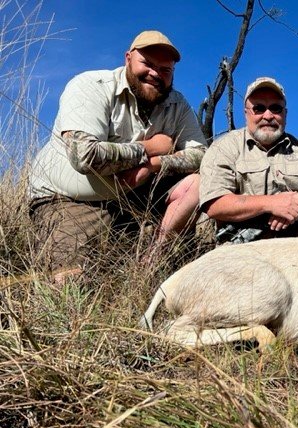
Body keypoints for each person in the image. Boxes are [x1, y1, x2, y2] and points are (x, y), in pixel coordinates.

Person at [28, 30, 207, 275]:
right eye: (147, 64)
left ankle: (153, 261)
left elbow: (201, 155)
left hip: (132, 193)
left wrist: (153, 165)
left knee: (196, 185)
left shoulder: (177, 104)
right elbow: (85, 155)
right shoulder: (90, 85)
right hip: (69, 199)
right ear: (128, 58)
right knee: (71, 284)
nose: (155, 74)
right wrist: (151, 147)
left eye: (165, 70)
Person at [199, 77, 298, 241]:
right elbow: (215, 204)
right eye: (259, 108)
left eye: (275, 108)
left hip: (294, 240)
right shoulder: (224, 147)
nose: (268, 115)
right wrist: (271, 204)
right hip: (243, 246)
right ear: (246, 113)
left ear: (285, 114)